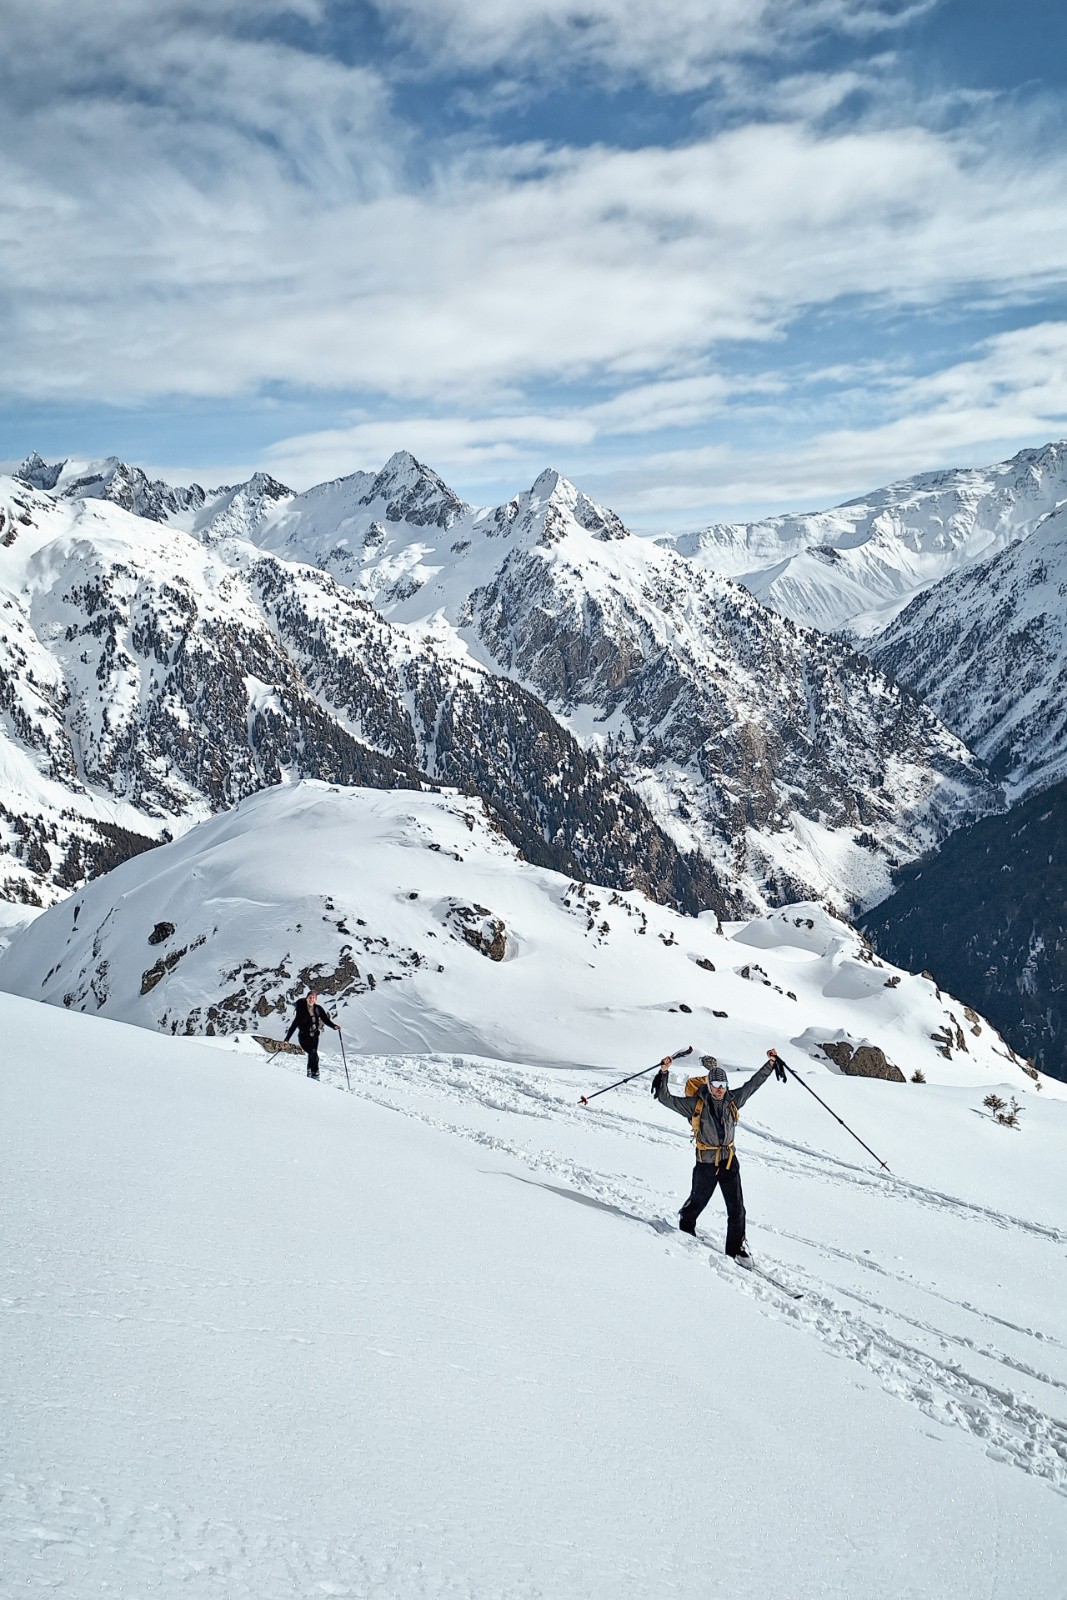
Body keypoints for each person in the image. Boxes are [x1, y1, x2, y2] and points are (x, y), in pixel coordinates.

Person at [651, 1047, 785, 1257]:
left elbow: (752, 1085)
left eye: (723, 1085)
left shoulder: (733, 1100)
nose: (720, 1089)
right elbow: (666, 1099)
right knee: (697, 1202)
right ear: (709, 1085)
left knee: (737, 1209)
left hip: (729, 1161)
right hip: (706, 1163)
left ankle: (736, 1249)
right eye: (716, 1085)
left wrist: (770, 1065)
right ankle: (686, 1227)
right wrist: (664, 1072)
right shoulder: (696, 1104)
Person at [284, 988, 341, 1080]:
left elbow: (325, 1020)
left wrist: (334, 1026)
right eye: (310, 997)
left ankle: (310, 1073)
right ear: (306, 998)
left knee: (312, 1055)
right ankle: (315, 1074)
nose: (311, 999)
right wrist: (287, 1039)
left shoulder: (318, 1009)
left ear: (316, 999)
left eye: (313, 998)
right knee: (313, 1054)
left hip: (314, 1036)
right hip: (303, 1036)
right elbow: (294, 1025)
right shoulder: (301, 1010)